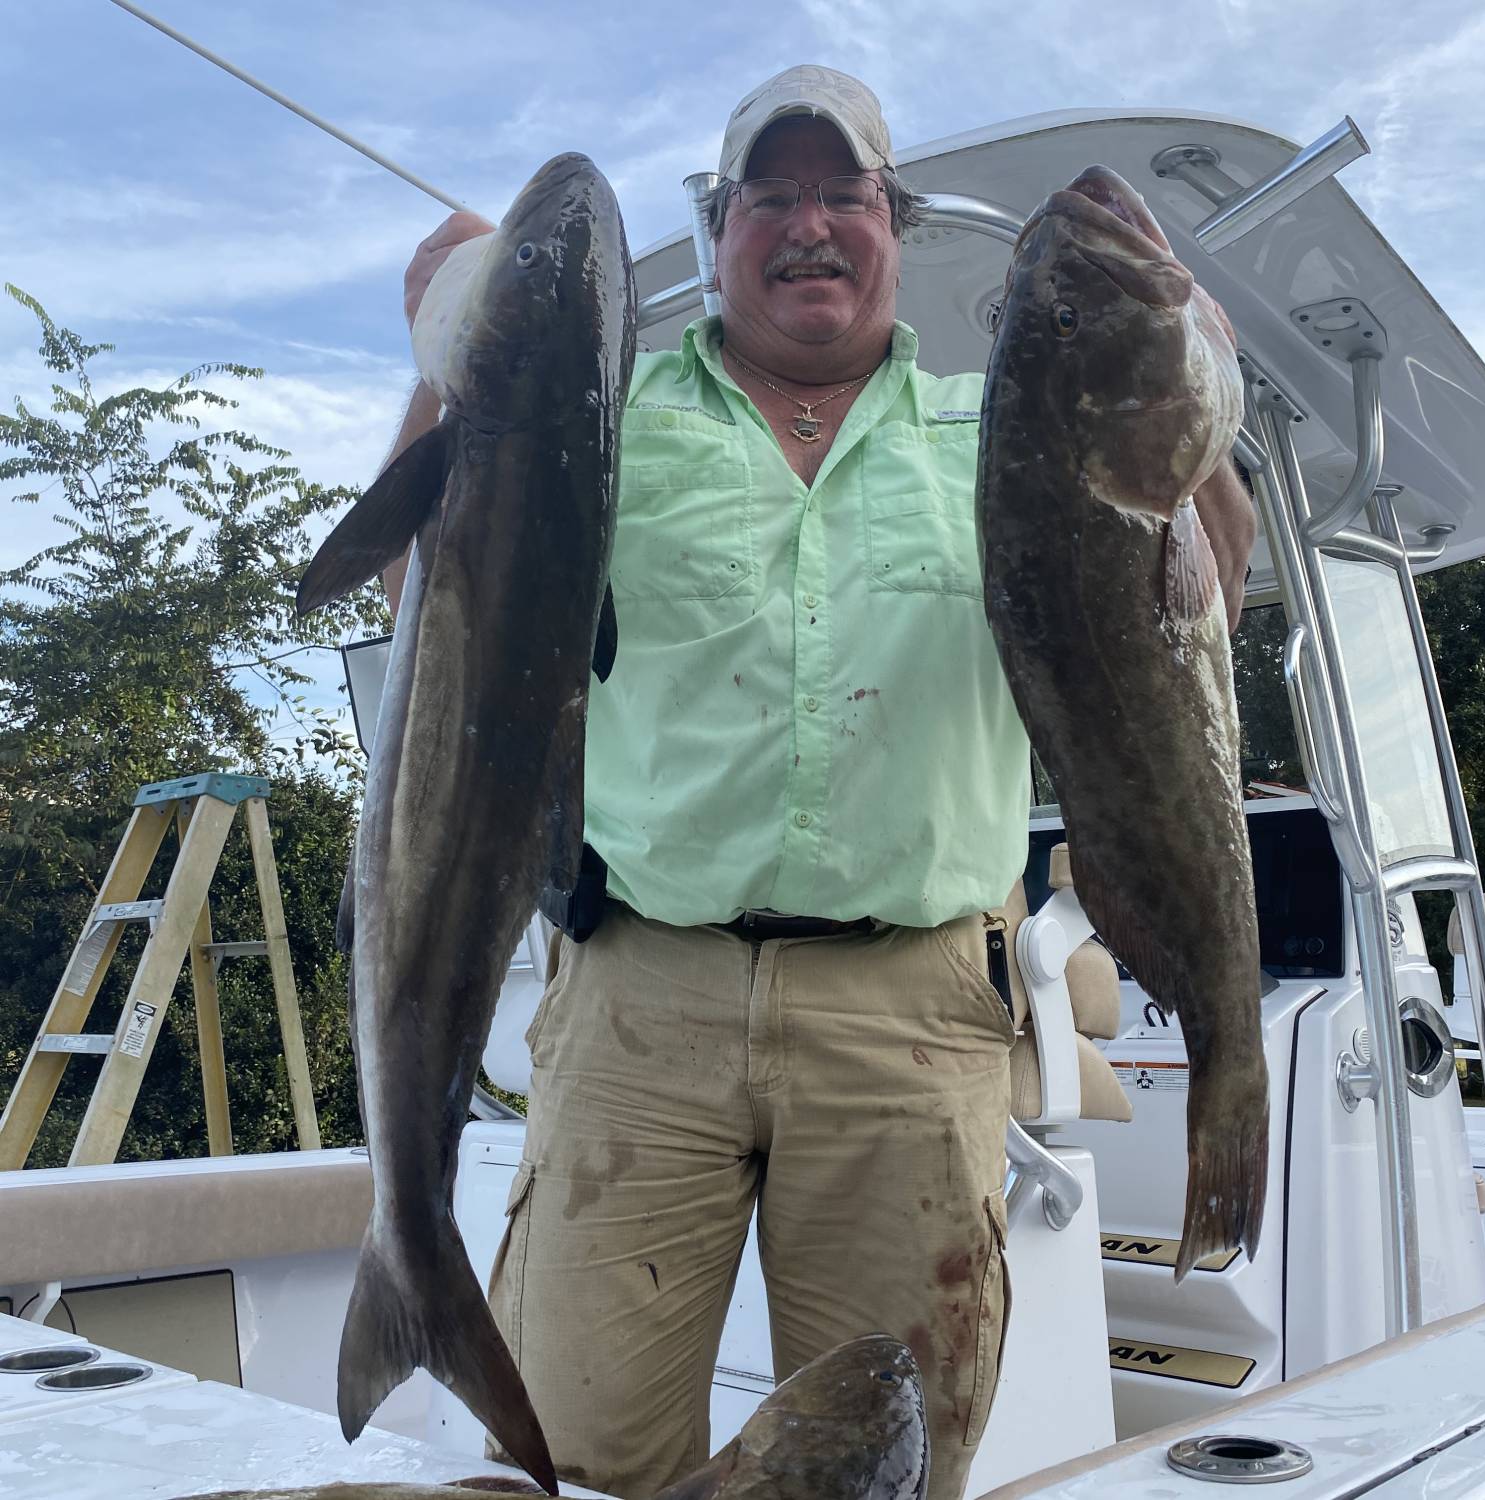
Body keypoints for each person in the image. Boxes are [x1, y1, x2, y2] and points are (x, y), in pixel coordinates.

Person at [383, 65, 1256, 1500]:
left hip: (912, 1018)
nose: (809, 226)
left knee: (885, 1466)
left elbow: (1191, 602)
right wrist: (455, 358)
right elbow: (444, 593)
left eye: (843, 194)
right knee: (573, 1455)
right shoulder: (606, 416)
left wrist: (1196, 387)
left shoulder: (1005, 431)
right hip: (636, 1010)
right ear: (719, 230)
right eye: (770, 197)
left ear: (892, 226)